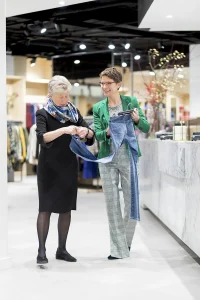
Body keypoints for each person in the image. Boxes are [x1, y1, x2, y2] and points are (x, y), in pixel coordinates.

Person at [36, 75, 94, 264]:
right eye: (60, 96)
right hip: (48, 168)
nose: (64, 100)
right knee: (45, 209)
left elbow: (89, 135)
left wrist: (87, 132)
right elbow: (42, 138)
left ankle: (62, 249)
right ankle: (42, 250)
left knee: (66, 209)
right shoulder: (43, 114)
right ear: (50, 95)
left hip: (68, 166)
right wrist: (63, 130)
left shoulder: (74, 112)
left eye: (66, 96)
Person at [93, 67, 150, 260]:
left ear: (118, 84)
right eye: (102, 83)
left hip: (128, 156)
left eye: (108, 83)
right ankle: (117, 249)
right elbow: (97, 135)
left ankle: (125, 242)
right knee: (112, 204)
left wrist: (135, 118)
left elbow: (146, 126)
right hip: (107, 158)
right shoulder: (98, 107)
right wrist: (107, 132)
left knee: (131, 201)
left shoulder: (130, 102)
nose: (104, 86)